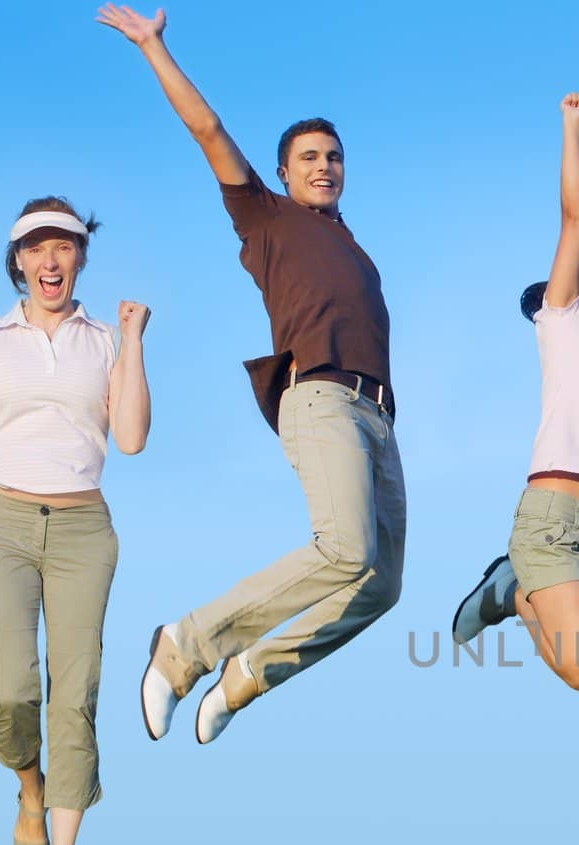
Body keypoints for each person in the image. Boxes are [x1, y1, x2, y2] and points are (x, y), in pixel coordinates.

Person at [99, 4, 404, 745]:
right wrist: (154, 48)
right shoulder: (264, 218)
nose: (324, 166)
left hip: (379, 417)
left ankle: (248, 673)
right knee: (344, 551)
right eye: (309, 157)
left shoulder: (351, 243)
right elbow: (208, 131)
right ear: (281, 173)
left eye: (333, 156)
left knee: (380, 584)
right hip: (320, 395)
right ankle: (186, 646)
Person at [0, 197, 152, 845]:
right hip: (2, 526)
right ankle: (28, 788)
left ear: (80, 256)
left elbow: (129, 438)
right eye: (37, 248)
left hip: (83, 530)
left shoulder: (104, 339)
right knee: (11, 689)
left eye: (64, 245)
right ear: (19, 262)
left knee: (78, 691)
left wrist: (132, 342)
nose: (51, 259)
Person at [450, 93, 579, 694]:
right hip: (553, 521)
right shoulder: (563, 322)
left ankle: (524, 587)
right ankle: (511, 589)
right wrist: (572, 128)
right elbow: (574, 217)